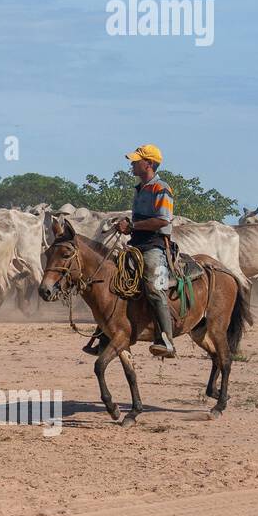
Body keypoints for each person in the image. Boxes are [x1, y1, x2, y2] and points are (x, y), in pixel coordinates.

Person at [112, 144, 176, 357]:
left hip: (154, 246)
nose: (132, 163)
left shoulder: (161, 188)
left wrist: (131, 227)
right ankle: (106, 331)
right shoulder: (140, 188)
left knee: (154, 289)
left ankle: (166, 340)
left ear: (148, 164)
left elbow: (162, 220)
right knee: (113, 279)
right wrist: (126, 224)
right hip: (136, 244)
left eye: (136, 160)